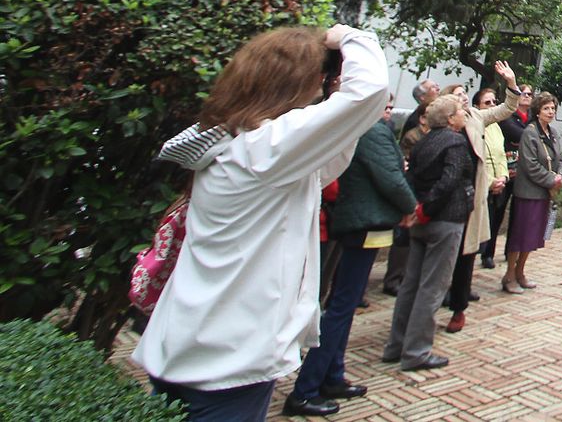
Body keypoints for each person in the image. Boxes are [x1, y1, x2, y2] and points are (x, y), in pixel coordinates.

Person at [132, 25, 388, 422]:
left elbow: (322, 169)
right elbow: (369, 92)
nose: (320, 89)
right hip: (224, 364)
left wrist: (337, 109)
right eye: (317, 80)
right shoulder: (262, 151)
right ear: (294, 86)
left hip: (193, 345)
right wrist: (352, 38)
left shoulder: (235, 145)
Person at [284, 97, 416, 416]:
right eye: (385, 104)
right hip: (364, 221)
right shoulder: (372, 130)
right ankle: (306, 387)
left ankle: (332, 375)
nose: (388, 110)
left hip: (355, 218)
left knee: (345, 300)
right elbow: (390, 175)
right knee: (342, 305)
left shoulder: (357, 126)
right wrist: (411, 205)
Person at [382, 94, 471, 371]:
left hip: (421, 220)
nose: (463, 113)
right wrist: (427, 209)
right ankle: (417, 352)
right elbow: (449, 180)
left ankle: (395, 346)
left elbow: (410, 177)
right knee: (432, 288)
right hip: (443, 220)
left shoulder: (422, 142)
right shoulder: (455, 141)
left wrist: (415, 209)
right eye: (459, 110)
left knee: (411, 284)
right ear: (449, 119)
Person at [441, 63, 519, 332]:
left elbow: (506, 109)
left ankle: (458, 308)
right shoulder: (440, 124)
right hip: (444, 198)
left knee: (466, 252)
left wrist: (510, 83)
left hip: (471, 196)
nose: (463, 96)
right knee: (442, 256)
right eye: (459, 93)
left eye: (465, 93)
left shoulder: (476, 117)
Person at [382, 79, 439, 295]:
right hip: (413, 189)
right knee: (404, 237)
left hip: (422, 190)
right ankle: (395, 278)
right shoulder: (413, 129)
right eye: (433, 88)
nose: (437, 90)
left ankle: (405, 275)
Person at [504, 91, 562, 293]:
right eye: (546, 108)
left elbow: (560, 159)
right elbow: (529, 164)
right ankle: (509, 274)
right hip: (528, 192)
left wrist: (560, 176)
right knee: (520, 235)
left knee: (532, 236)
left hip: (544, 193)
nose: (550, 112)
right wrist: (551, 180)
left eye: (553, 108)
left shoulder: (553, 133)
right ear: (537, 111)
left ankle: (521, 271)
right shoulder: (530, 132)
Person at [481, 86, 533, 268]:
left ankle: (510, 250)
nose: (527, 96)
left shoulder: (531, 118)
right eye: (524, 93)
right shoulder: (506, 118)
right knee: (497, 213)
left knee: (517, 215)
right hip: (504, 173)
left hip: (523, 174)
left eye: (530, 94)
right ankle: (487, 252)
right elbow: (523, 136)